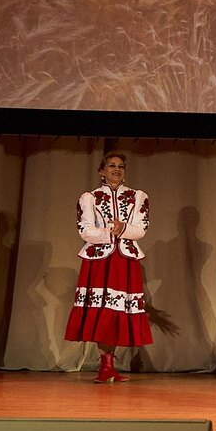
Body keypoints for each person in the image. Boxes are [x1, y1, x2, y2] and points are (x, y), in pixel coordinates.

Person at [65, 152, 152, 382]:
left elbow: (141, 229)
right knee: (101, 312)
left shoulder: (138, 197)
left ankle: (109, 363)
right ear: (101, 171)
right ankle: (105, 364)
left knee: (116, 314)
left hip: (124, 260)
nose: (116, 169)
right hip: (99, 260)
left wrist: (122, 228)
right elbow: (84, 229)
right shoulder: (89, 198)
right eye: (111, 166)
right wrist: (107, 232)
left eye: (120, 166)